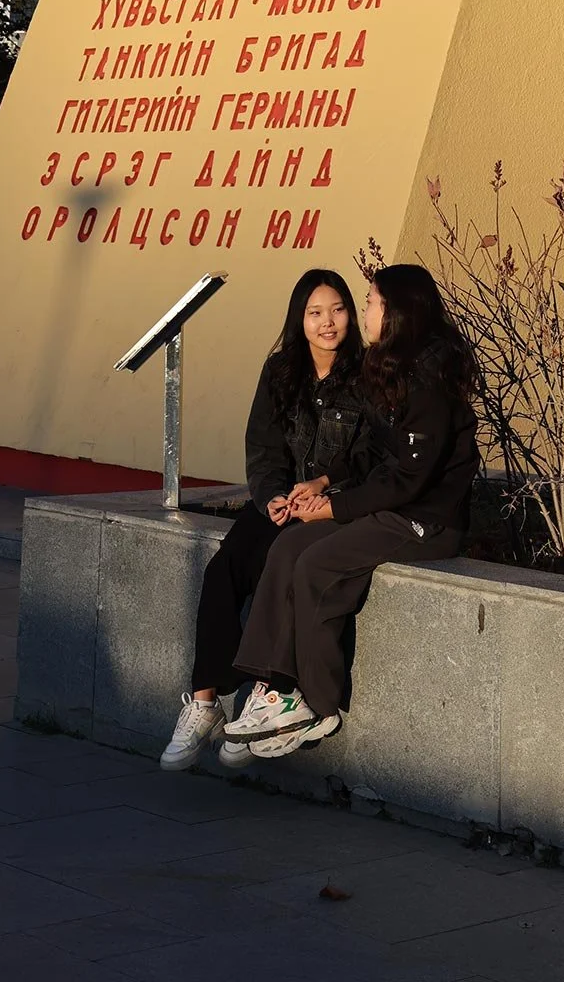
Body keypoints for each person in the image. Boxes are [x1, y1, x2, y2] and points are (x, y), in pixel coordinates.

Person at [219, 262, 480, 761]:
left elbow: (407, 478)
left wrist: (333, 508)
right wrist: (320, 482)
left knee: (317, 563)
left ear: (398, 312)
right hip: (388, 505)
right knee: (290, 543)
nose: (362, 312)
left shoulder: (429, 379)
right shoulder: (389, 365)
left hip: (425, 521)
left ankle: (318, 703)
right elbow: (370, 452)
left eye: (369, 302)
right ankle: (274, 684)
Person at [159, 269, 367, 770]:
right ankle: (205, 703)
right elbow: (263, 448)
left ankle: (265, 703)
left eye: (337, 309)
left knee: (285, 567)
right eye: (315, 312)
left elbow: (366, 455)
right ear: (299, 318)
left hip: (327, 508)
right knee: (223, 569)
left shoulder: (366, 375)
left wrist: (321, 492)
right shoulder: (281, 371)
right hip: (280, 503)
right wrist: (273, 496)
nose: (327, 322)